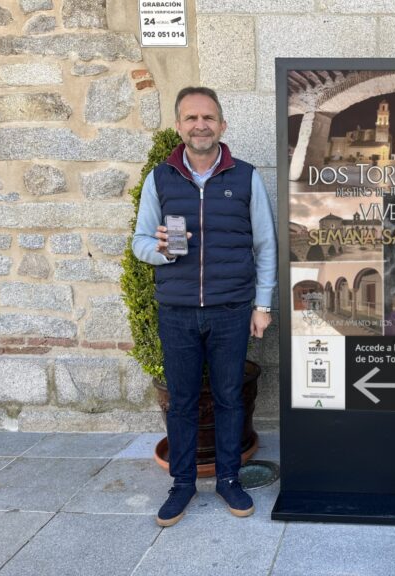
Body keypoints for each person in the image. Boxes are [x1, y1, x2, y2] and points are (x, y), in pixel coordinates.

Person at [132, 86, 277, 527]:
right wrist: (161, 251)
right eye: (192, 118)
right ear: (179, 126)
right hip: (176, 311)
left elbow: (265, 244)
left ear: (222, 125)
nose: (200, 125)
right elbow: (140, 242)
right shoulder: (159, 179)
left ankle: (230, 479)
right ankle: (182, 483)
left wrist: (262, 304)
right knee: (181, 401)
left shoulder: (245, 177)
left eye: (208, 118)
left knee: (230, 397)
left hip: (231, 309)